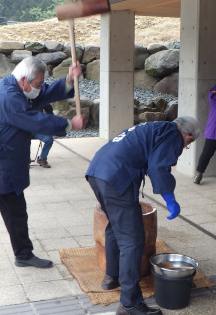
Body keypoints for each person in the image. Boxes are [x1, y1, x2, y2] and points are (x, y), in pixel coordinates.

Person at [0, 57, 85, 283]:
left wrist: (68, 80)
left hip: (9, 168)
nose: (39, 89)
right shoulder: (6, 97)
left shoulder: (22, 90)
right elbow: (34, 121)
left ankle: (24, 254)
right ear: (24, 81)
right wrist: (68, 124)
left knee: (17, 215)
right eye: (36, 84)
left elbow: (44, 93)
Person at [86, 116, 200, 315]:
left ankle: (112, 277)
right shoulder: (173, 135)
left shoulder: (158, 127)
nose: (184, 147)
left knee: (115, 224)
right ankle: (130, 304)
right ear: (187, 135)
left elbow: (149, 159)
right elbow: (158, 168)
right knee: (132, 241)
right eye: (188, 143)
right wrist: (170, 198)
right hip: (116, 176)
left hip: (98, 172)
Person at [31, 103, 55, 168]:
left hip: (37, 129)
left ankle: (42, 158)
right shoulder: (19, 98)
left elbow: (49, 110)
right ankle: (25, 159)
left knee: (49, 139)